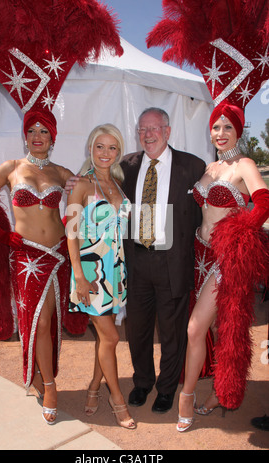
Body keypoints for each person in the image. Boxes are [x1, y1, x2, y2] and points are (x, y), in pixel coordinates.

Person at [0, 108, 74, 425]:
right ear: (25, 135)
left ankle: (44, 377)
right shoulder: (11, 168)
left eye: (44, 131)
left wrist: (72, 225)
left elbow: (89, 201)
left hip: (56, 257)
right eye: (32, 131)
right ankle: (49, 386)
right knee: (36, 323)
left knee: (49, 323)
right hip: (26, 258)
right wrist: (1, 234)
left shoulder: (62, 173)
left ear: (53, 136)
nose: (37, 137)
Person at [177, 103, 269, 432]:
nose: (220, 133)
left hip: (223, 258)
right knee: (217, 330)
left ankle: (186, 396)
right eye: (216, 127)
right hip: (198, 258)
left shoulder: (244, 164)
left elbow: (264, 200)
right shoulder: (210, 168)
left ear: (238, 132)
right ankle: (219, 391)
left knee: (195, 329)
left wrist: (242, 234)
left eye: (227, 127)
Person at [120, 107, 206, 414]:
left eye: (154, 128)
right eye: (142, 129)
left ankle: (167, 388)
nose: (148, 135)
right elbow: (101, 186)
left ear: (167, 131)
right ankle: (143, 381)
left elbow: (204, 212)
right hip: (137, 260)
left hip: (173, 261)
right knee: (137, 329)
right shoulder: (127, 165)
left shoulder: (193, 166)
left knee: (173, 331)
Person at [66, 124, 136, 429]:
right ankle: (116, 399)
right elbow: (70, 235)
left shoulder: (118, 185)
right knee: (111, 337)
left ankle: (94, 387)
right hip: (91, 273)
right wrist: (80, 278)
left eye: (112, 148)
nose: (105, 153)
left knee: (104, 341)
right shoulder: (82, 185)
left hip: (115, 272)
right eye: (99, 147)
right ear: (90, 149)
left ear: (119, 152)